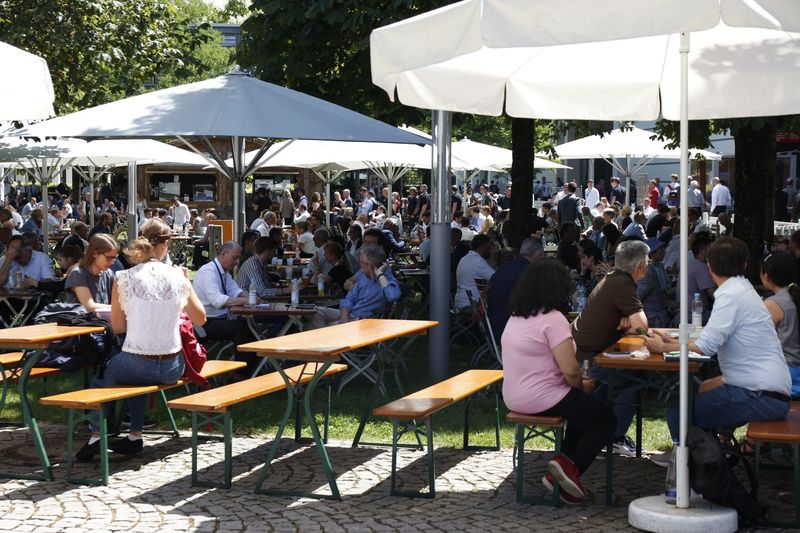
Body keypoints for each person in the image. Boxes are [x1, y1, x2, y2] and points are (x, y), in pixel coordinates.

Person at [75, 218, 206, 461]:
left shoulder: (124, 277)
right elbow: (200, 318)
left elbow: (118, 327)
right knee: (136, 375)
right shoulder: (177, 275)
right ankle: (134, 434)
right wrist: (185, 284)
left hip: (137, 364)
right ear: (166, 245)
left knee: (101, 379)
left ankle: (96, 435)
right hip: (172, 366)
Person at [643, 237, 791, 445]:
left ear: (710, 268)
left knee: (678, 411)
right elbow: (713, 334)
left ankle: (693, 460)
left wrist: (662, 346)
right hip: (768, 391)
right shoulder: (742, 289)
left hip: (758, 394)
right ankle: (709, 455)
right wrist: (674, 339)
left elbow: (704, 347)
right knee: (700, 393)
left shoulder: (730, 295)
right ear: (745, 265)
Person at [502, 258, 616, 505]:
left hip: (514, 395)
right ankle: (567, 469)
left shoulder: (516, 316)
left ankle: (565, 462)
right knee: (606, 420)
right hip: (542, 396)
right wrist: (582, 387)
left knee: (585, 411)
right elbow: (571, 371)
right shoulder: (553, 319)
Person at [572, 240, 652, 456]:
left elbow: (636, 326)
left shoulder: (614, 278)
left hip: (585, 353)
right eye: (648, 261)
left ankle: (602, 433)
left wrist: (629, 323)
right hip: (587, 360)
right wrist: (632, 324)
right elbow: (642, 327)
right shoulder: (622, 284)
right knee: (636, 377)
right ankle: (613, 437)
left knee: (630, 376)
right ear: (641, 266)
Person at [192, 241, 256, 375]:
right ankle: (244, 373)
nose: (237, 262)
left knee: (247, 326)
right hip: (204, 323)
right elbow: (217, 300)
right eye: (235, 257)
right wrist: (248, 300)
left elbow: (235, 290)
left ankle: (249, 368)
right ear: (224, 254)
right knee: (243, 328)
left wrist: (249, 296)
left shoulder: (222, 271)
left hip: (214, 319)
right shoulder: (208, 271)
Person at [309, 245, 400, 329]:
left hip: (365, 322)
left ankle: (325, 339)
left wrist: (379, 274)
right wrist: (344, 316)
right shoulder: (363, 276)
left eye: (361, 263)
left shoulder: (387, 281)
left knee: (329, 326)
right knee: (317, 312)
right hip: (351, 314)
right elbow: (349, 298)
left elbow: (392, 296)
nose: (360, 266)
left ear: (369, 267)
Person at [487, 237, 544, 340]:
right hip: (512, 329)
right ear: (537, 255)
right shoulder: (529, 272)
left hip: (494, 325)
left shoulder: (504, 268)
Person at [760, 252, 800, 398]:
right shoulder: (794, 295)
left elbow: (758, 340)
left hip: (785, 375)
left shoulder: (772, 304)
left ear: (766, 276)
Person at [65, 234, 118, 312]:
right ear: (94, 253)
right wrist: (118, 309)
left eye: (114, 258)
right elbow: (89, 306)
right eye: (109, 258)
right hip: (82, 319)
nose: (112, 262)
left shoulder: (109, 274)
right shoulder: (78, 274)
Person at [454, 234, 495, 312]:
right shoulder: (478, 262)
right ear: (481, 248)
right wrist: (493, 257)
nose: (492, 249)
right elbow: (498, 278)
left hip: (462, 302)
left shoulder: (466, 258)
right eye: (490, 247)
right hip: (471, 305)